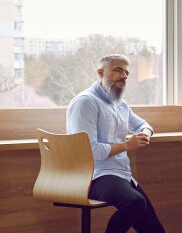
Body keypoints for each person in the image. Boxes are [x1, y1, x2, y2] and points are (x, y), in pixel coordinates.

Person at [66, 54, 165, 233]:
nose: (124, 76)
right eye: (118, 70)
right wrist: (127, 145)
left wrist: (144, 134)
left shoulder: (121, 104)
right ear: (100, 72)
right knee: (135, 202)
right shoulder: (86, 102)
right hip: (92, 176)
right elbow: (89, 150)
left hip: (121, 175)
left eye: (126, 72)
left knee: (155, 230)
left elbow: (144, 125)